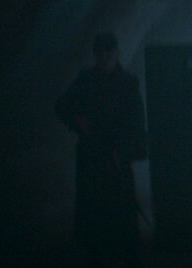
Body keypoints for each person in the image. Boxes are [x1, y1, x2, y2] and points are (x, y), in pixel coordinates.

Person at [55, 32, 147, 267]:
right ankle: (96, 255)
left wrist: (121, 152)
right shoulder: (86, 80)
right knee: (94, 212)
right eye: (100, 52)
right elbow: (62, 106)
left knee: (122, 211)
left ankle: (128, 255)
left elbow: (136, 122)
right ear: (96, 54)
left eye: (109, 51)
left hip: (116, 158)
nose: (105, 56)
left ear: (116, 53)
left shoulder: (127, 83)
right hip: (92, 157)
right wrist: (78, 120)